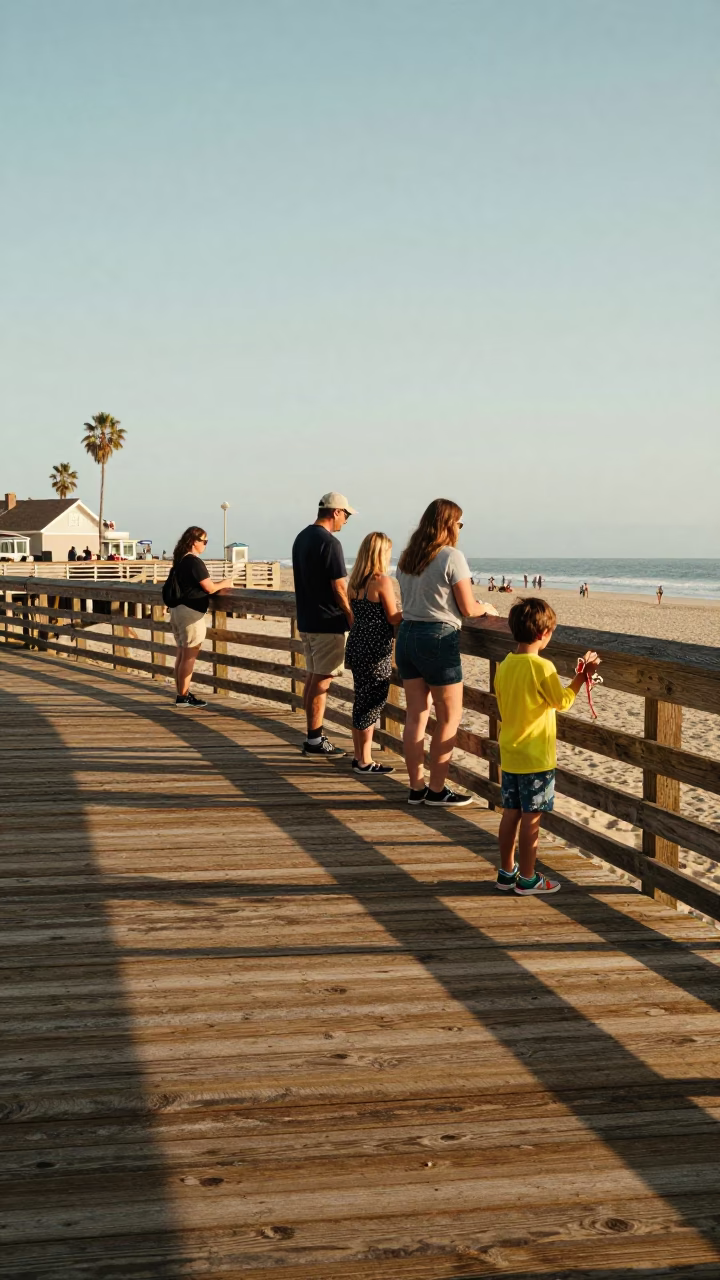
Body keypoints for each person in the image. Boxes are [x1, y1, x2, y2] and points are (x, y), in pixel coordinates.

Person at [395, 498, 498, 807]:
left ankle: (417, 788)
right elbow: (467, 608)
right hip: (439, 637)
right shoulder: (451, 556)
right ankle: (437, 790)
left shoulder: (407, 557)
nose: (460, 529)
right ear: (448, 524)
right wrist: (487, 608)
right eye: (459, 523)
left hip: (407, 635)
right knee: (449, 717)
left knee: (415, 716)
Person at [494, 597, 600, 895]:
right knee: (532, 818)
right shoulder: (542, 667)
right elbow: (562, 701)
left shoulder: (504, 665)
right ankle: (528, 878)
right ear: (543, 634)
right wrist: (581, 677)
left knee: (510, 813)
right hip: (536, 758)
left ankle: (505, 872)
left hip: (511, 753)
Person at [292, 492, 356, 757]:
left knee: (312, 676)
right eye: (346, 515)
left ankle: (313, 735)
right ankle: (315, 739)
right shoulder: (330, 543)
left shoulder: (301, 538)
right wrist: (352, 616)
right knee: (322, 679)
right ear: (336, 512)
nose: (347, 521)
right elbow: (339, 586)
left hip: (307, 619)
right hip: (327, 621)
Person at [345, 532, 402, 774]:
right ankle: (365, 760)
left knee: (361, 699)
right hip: (374, 649)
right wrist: (413, 612)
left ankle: (359, 756)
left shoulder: (355, 581)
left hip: (357, 645)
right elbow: (392, 617)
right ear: (380, 553)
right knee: (372, 703)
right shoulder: (381, 581)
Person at [167, 526, 234, 708]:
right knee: (189, 657)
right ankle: (183, 697)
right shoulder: (194, 562)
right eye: (203, 541)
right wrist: (226, 583)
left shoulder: (180, 561)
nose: (205, 544)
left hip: (177, 611)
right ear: (194, 542)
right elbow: (209, 588)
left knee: (182, 654)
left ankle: (182, 694)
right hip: (191, 614)